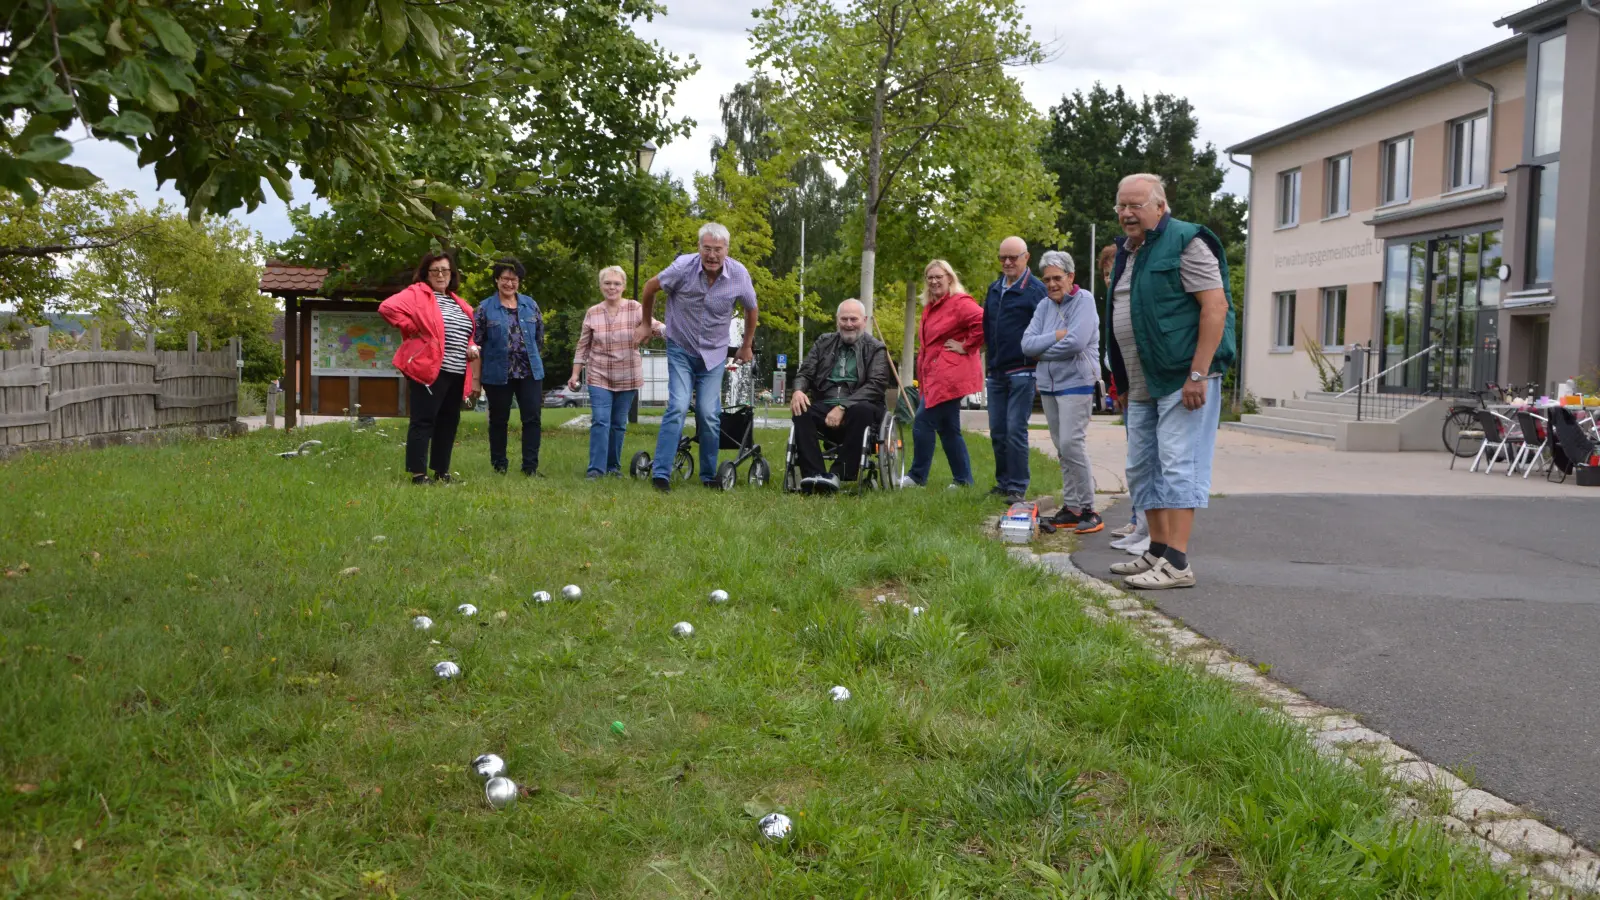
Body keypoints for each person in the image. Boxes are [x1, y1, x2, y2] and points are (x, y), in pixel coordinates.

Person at [1105, 173, 1236, 589]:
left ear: (1160, 206)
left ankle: (1178, 563)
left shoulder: (1187, 241)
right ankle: (1157, 551)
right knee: (1143, 467)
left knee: (1180, 465)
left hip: (1183, 379)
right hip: (1142, 382)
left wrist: (1198, 373)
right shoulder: (1129, 252)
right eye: (1121, 205)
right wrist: (1122, 381)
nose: (1127, 213)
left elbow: (1215, 307)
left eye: (1136, 205)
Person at [636, 222, 759, 492]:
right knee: (678, 406)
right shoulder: (682, 267)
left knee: (708, 413)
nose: (712, 255)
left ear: (727, 250)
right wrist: (646, 323)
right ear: (699, 248)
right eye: (707, 249)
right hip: (681, 347)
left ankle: (707, 476)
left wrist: (746, 345)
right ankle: (661, 474)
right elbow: (649, 287)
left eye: (718, 249)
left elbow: (751, 309)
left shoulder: (739, 274)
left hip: (714, 354)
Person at [379, 251, 479, 485]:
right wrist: (411, 326)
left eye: (445, 270)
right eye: (435, 271)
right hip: (429, 369)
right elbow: (387, 308)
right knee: (423, 420)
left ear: (452, 274)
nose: (441, 274)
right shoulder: (417, 294)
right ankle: (418, 474)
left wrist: (472, 346)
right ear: (426, 274)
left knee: (448, 421)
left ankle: (441, 472)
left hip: (456, 371)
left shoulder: (459, 302)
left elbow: (469, 334)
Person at [1021, 250, 1102, 534]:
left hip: (1077, 381)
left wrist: (1043, 354)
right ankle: (1072, 507)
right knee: (1061, 448)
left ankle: (1090, 509)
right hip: (1049, 386)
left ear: (1070, 277)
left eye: (1057, 278)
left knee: (1071, 444)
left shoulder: (1085, 301)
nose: (1052, 284)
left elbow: (1076, 343)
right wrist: (1055, 336)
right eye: (1047, 279)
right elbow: (1026, 345)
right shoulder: (1043, 306)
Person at [568, 266, 664, 478]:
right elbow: (583, 346)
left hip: (628, 376)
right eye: (607, 283)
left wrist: (671, 331)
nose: (612, 287)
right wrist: (575, 374)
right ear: (601, 286)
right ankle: (595, 470)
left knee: (619, 424)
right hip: (598, 374)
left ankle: (613, 468)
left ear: (624, 286)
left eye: (616, 283)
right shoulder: (593, 312)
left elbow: (653, 325)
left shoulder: (634, 307)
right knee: (601, 420)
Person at [789, 299, 890, 493]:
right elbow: (805, 373)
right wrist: (799, 390)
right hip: (825, 403)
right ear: (837, 320)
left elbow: (876, 385)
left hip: (860, 405)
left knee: (862, 410)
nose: (849, 324)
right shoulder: (823, 342)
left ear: (864, 320)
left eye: (854, 319)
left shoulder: (876, 348)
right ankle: (815, 475)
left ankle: (838, 473)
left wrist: (843, 406)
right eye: (844, 319)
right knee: (801, 409)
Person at [901, 259, 982, 488]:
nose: (934, 281)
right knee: (948, 429)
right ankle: (963, 480)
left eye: (939, 276)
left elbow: (982, 321)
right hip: (934, 374)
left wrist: (966, 345)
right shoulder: (932, 306)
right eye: (930, 277)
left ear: (949, 278)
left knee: (922, 422)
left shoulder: (959, 303)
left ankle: (917, 477)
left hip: (949, 376)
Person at [983, 235, 1048, 503]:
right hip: (996, 371)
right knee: (997, 430)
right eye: (1003, 258)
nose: (1008, 262)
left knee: (1014, 429)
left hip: (1023, 370)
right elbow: (987, 324)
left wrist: (1037, 365)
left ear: (1026, 257)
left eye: (1013, 257)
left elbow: (1045, 328)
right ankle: (1003, 482)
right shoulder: (994, 288)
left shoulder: (1036, 290)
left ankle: (1018, 485)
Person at [473, 258, 545, 477]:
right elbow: (475, 343)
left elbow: (539, 338)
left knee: (532, 419)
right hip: (497, 373)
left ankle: (530, 468)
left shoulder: (530, 304)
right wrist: (476, 379)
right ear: (496, 280)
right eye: (505, 278)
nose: (509, 283)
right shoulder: (485, 308)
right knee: (498, 420)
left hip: (529, 371)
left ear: (519, 282)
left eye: (514, 279)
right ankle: (499, 466)